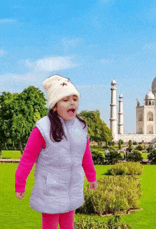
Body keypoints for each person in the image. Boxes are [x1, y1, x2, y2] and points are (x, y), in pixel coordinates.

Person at [15, 75, 97, 229]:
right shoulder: (43, 128)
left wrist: (91, 176)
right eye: (65, 100)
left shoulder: (80, 126)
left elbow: (85, 155)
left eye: (74, 98)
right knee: (50, 225)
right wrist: (20, 184)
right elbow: (27, 158)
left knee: (68, 225)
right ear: (54, 105)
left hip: (71, 188)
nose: (72, 102)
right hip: (50, 189)